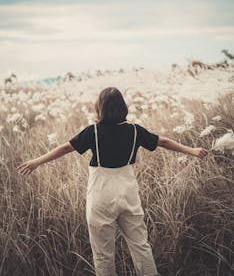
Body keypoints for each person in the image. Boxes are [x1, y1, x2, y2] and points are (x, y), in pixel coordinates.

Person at [17, 86, 209, 276]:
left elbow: (66, 148)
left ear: (99, 107)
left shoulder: (92, 131)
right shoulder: (135, 130)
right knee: (140, 246)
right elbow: (163, 142)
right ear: (123, 107)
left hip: (101, 196)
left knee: (103, 255)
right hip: (128, 193)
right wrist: (192, 150)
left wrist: (36, 162)